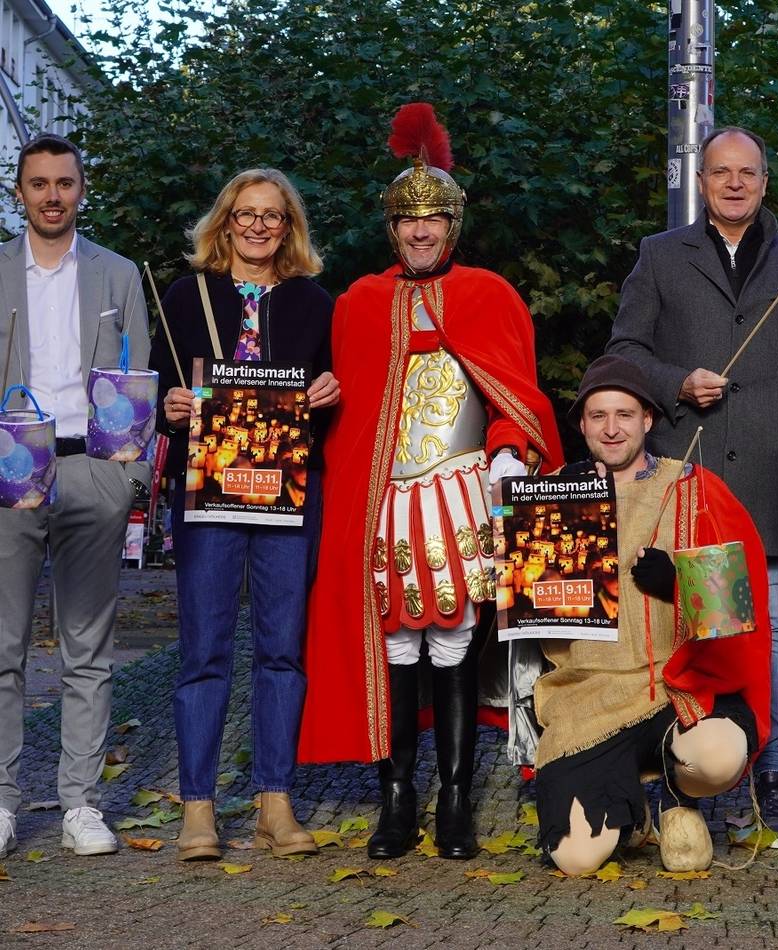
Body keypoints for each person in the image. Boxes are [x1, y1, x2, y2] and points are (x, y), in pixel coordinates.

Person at [298, 103, 563, 860]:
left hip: (461, 489)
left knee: (450, 638)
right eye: (408, 222)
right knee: (393, 641)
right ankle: (395, 797)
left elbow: (517, 397)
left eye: (434, 221)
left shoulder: (491, 295)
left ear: (453, 226)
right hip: (385, 495)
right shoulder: (358, 304)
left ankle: (452, 799)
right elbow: (345, 412)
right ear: (393, 229)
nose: (420, 233)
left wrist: (510, 454)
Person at [606, 126, 778, 847]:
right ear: (701, 183)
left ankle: (767, 771)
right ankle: (689, 773)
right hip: (690, 473)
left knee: (764, 633)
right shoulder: (659, 256)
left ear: (765, 183)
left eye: (748, 173)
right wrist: (677, 382)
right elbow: (624, 352)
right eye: (719, 173)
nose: (734, 184)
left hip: (768, 478)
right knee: (685, 625)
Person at [150, 168, 339, 861]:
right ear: (224, 221)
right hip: (210, 494)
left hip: (288, 491)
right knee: (204, 650)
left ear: (289, 228)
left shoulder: (316, 302)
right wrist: (170, 408)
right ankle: (197, 810)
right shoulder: (183, 294)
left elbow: (332, 389)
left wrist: (330, 391)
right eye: (246, 213)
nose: (258, 226)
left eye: (273, 216)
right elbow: (163, 388)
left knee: (282, 649)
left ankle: (275, 803)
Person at [532, 355, 771, 874]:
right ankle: (638, 818)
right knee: (577, 858)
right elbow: (528, 616)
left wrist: (682, 583)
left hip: (674, 687)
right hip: (587, 697)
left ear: (648, 420)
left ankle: (675, 795)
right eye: (598, 416)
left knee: (718, 755)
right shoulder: (550, 494)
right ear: (581, 424)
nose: (612, 428)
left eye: (625, 414)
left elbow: (736, 610)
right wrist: (545, 529)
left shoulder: (693, 487)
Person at [0, 134, 150, 857]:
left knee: (87, 649)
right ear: (19, 191)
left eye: (64, 182)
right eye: (39, 183)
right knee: (4, 645)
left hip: (91, 465)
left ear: (81, 190)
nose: (52, 195)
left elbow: (140, 377)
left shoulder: (118, 275)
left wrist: (127, 479)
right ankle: (1, 801)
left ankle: (80, 804)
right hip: (11, 467)